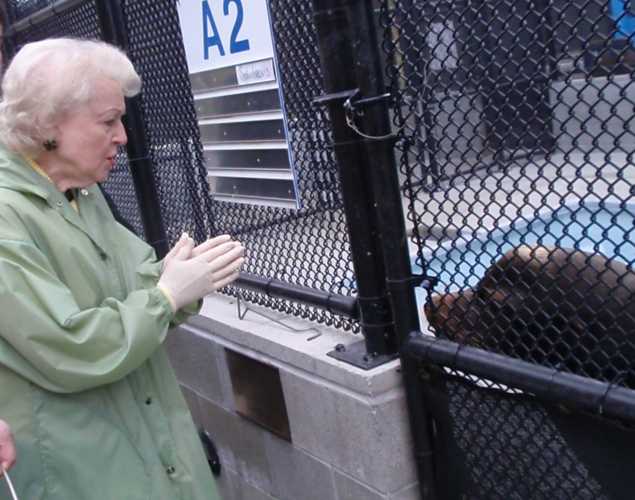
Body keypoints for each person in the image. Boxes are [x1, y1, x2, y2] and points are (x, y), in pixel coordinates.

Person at [0, 38, 244, 500]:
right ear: (48, 122)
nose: (123, 137)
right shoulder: (8, 215)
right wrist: (167, 295)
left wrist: (175, 282)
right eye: (108, 121)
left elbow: (136, 284)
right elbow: (68, 346)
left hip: (146, 440)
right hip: (80, 466)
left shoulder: (79, 191)